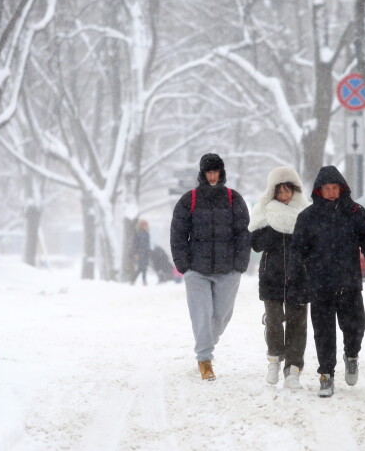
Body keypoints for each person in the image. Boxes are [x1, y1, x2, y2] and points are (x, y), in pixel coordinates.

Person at [287, 165, 365, 397]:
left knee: (355, 328)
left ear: (342, 189)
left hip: (349, 283)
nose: (331, 193)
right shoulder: (307, 217)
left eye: (335, 188)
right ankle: (326, 375)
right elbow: (297, 253)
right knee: (324, 332)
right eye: (327, 189)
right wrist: (296, 283)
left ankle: (352, 354)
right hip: (319, 285)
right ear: (319, 191)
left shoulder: (355, 212)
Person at [170, 153, 251, 381]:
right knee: (201, 315)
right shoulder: (189, 199)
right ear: (202, 173)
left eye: (216, 171)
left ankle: (206, 342)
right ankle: (204, 359)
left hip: (228, 270)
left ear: (222, 172)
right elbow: (177, 234)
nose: (213, 176)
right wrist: (184, 266)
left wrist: (240, 265)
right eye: (209, 172)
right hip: (197, 270)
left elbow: (244, 233)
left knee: (222, 316)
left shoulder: (234, 199)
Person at [249, 167, 309, 389]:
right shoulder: (263, 211)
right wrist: (276, 226)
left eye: (288, 191)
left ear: (295, 190)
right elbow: (255, 244)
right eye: (279, 191)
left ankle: (293, 370)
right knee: (274, 321)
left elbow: (312, 245)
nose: (284, 196)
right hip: (271, 276)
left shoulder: (305, 212)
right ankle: (274, 359)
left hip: (299, 276)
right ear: (272, 192)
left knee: (298, 324)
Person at [130, 219, 151, 286]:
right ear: (142, 226)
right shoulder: (138, 234)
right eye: (145, 225)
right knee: (141, 267)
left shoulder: (147, 234)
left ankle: (134, 280)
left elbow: (147, 244)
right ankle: (142, 281)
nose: (147, 227)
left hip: (145, 253)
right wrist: (135, 253)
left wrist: (149, 252)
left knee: (143, 267)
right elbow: (135, 244)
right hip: (140, 253)